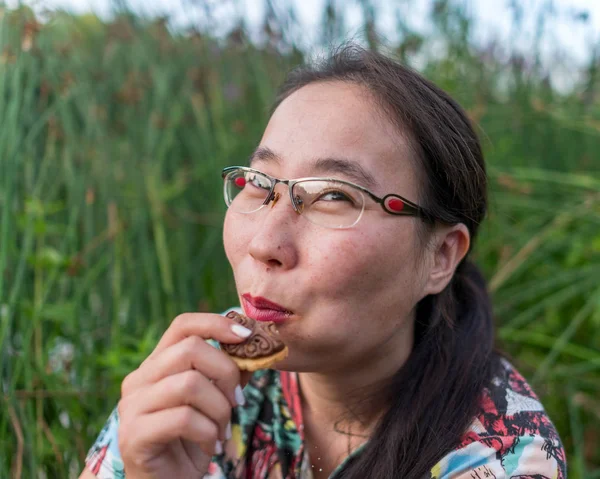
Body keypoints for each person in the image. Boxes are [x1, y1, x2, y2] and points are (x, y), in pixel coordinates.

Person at [80, 44, 567, 479]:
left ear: (440, 257)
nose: (264, 244)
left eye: (333, 195)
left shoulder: (499, 457)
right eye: (260, 183)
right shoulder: (194, 385)